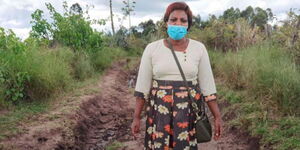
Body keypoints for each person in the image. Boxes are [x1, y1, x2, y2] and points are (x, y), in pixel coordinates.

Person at [131, 2, 223, 150]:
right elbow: (142, 88)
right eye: (173, 20)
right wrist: (136, 117)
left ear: (188, 25)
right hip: (159, 113)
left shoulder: (199, 49)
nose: (178, 24)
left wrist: (217, 116)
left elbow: (208, 86)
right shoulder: (152, 49)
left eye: (183, 20)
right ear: (166, 22)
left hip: (187, 114)